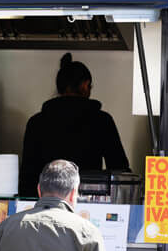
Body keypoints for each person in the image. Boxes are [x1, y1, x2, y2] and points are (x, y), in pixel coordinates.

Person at [19, 53, 130, 197]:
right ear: (85, 85)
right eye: (90, 86)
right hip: (87, 206)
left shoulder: (36, 122)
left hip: (43, 205)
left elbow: (28, 177)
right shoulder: (101, 120)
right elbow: (119, 170)